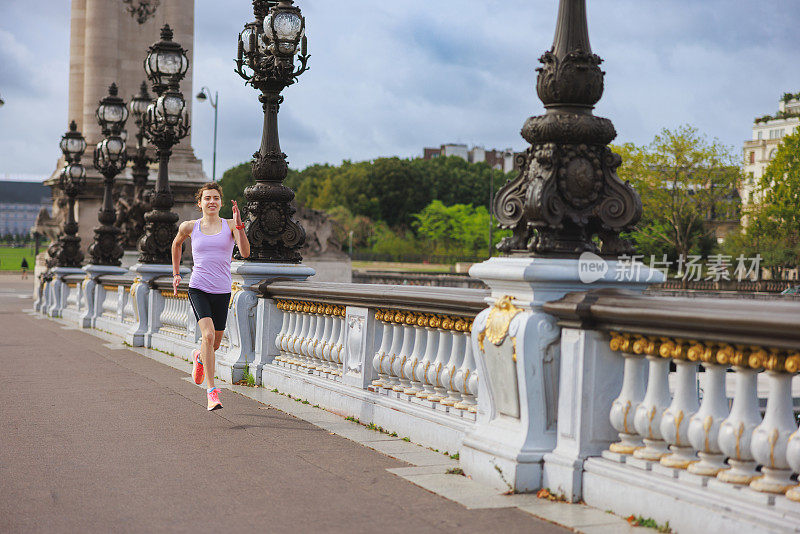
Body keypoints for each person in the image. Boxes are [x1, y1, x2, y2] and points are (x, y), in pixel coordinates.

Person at [171, 183, 250, 411]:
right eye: (207, 198)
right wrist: (176, 273)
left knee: (213, 344)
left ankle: (198, 358)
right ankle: (212, 391)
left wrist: (240, 225)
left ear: (221, 203)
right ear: (200, 203)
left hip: (222, 291)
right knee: (206, 336)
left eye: (216, 198)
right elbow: (176, 245)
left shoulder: (229, 225)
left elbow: (244, 253)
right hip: (198, 288)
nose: (212, 201)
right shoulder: (190, 226)